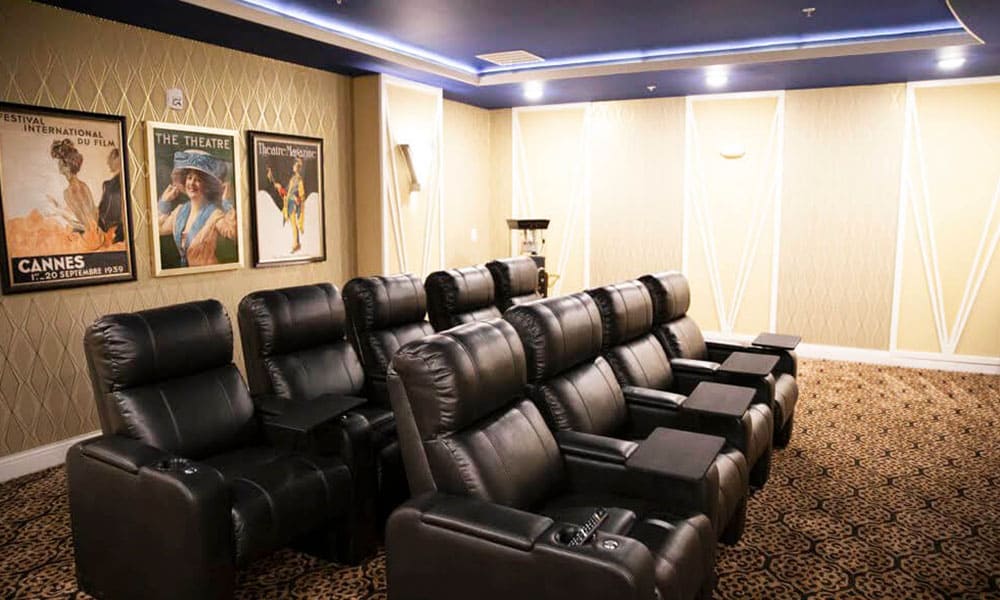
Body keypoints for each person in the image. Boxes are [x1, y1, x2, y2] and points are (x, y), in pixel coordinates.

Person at [158, 149, 237, 267]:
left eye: (198, 180)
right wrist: (165, 201)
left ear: (206, 185)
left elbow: (234, 232)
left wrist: (226, 201)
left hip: (209, 274)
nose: (191, 183)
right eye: (189, 178)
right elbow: (159, 229)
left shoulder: (214, 214)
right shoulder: (180, 211)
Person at [48, 138, 97, 235]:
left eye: (60, 161)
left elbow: (87, 226)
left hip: (87, 238)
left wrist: (59, 212)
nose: (58, 164)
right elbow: (90, 218)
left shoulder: (69, 191)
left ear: (67, 166)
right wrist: (59, 208)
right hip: (92, 234)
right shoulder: (83, 186)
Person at [266, 157, 306, 253]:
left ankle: (296, 243)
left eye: (295, 165)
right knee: (293, 224)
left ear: (298, 167)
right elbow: (287, 192)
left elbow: (300, 194)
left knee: (294, 224)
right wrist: (279, 188)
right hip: (290, 202)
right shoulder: (293, 179)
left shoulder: (298, 180)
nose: (293, 166)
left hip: (293, 204)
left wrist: (296, 198)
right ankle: (296, 243)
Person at [97, 147, 124, 243]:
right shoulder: (109, 184)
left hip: (113, 234)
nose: (108, 162)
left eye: (110, 158)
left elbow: (105, 212)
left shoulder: (109, 185)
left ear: (118, 159)